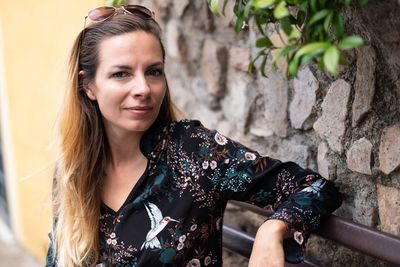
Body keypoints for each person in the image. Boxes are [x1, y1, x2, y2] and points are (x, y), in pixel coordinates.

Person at [45, 4, 342, 267]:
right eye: (121, 74)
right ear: (89, 86)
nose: (143, 89)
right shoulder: (75, 169)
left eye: (154, 72)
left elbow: (313, 187)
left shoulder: (193, 151)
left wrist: (273, 229)